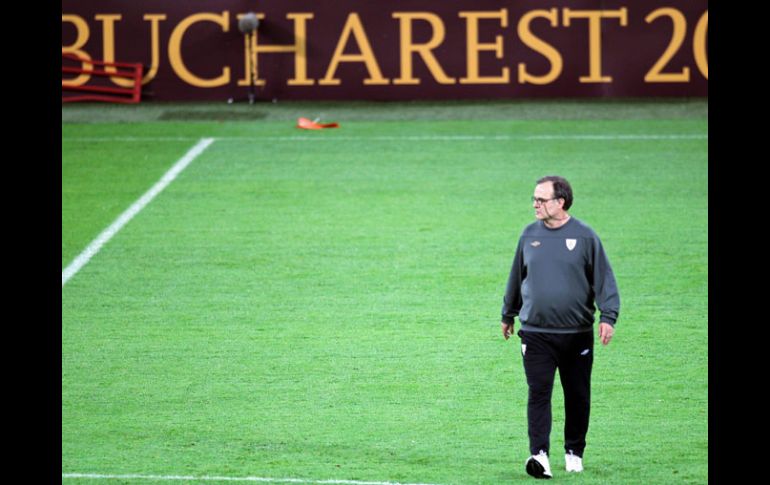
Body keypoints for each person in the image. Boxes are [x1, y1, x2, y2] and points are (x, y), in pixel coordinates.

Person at [500, 175, 620, 479]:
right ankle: (539, 456)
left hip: (576, 334)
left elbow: (604, 279)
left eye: (541, 199)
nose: (535, 204)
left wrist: (608, 317)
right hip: (535, 333)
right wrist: (508, 314)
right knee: (538, 392)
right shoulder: (528, 235)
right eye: (534, 199)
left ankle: (574, 452)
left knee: (577, 395)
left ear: (560, 202)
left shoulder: (585, 237)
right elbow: (516, 276)